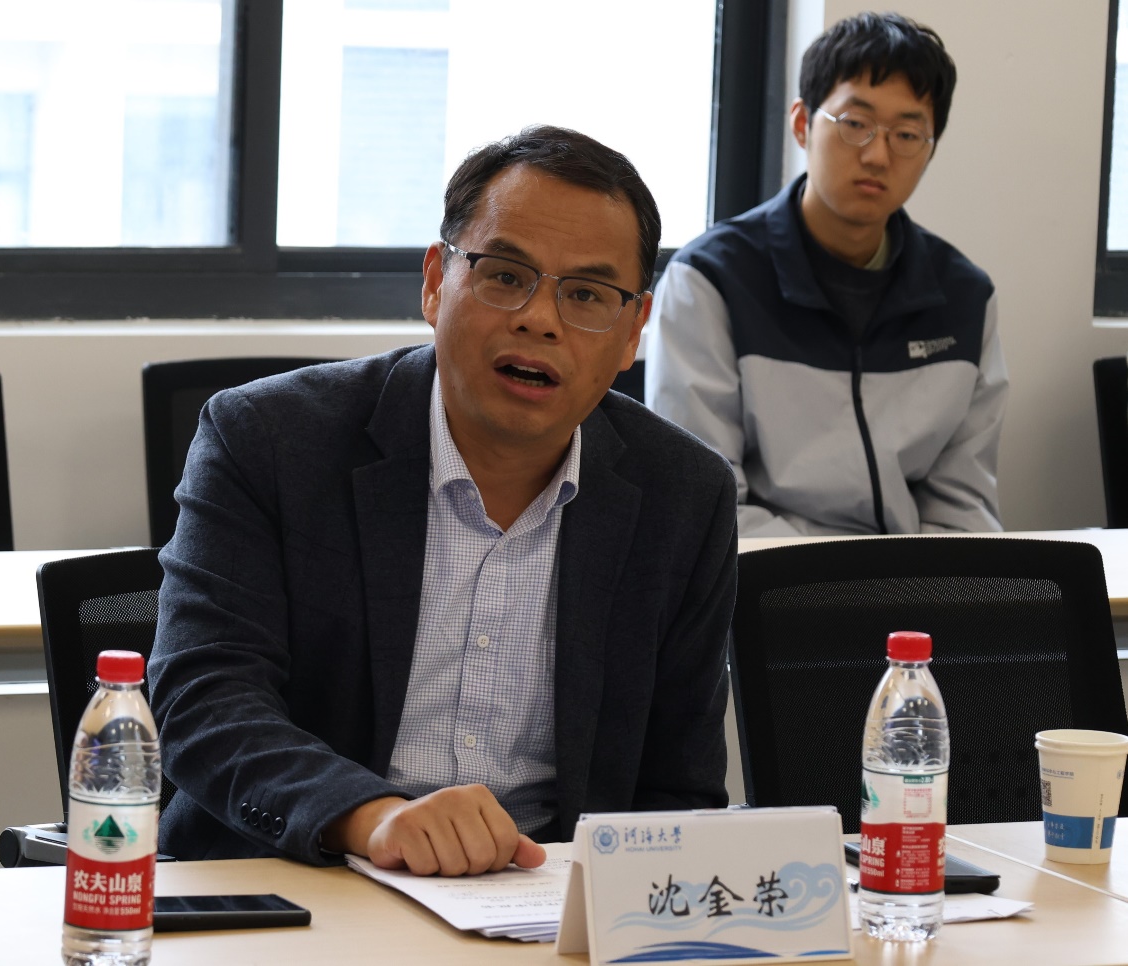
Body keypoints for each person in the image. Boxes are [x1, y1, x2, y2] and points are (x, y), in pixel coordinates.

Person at [148, 125, 738, 877]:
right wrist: (371, 817)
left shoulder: (683, 496)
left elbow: (678, 789)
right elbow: (204, 701)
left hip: (547, 901)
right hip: (300, 882)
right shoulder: (268, 439)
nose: (539, 318)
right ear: (435, 281)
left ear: (632, 333)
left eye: (587, 295)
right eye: (505, 276)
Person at [645, 12, 1008, 537]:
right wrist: (834, 583)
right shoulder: (710, 282)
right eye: (855, 124)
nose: (878, 155)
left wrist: (926, 584)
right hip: (766, 579)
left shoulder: (965, 298)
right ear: (802, 124)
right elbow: (705, 505)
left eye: (907, 134)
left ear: (930, 149)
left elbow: (963, 504)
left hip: (917, 581)